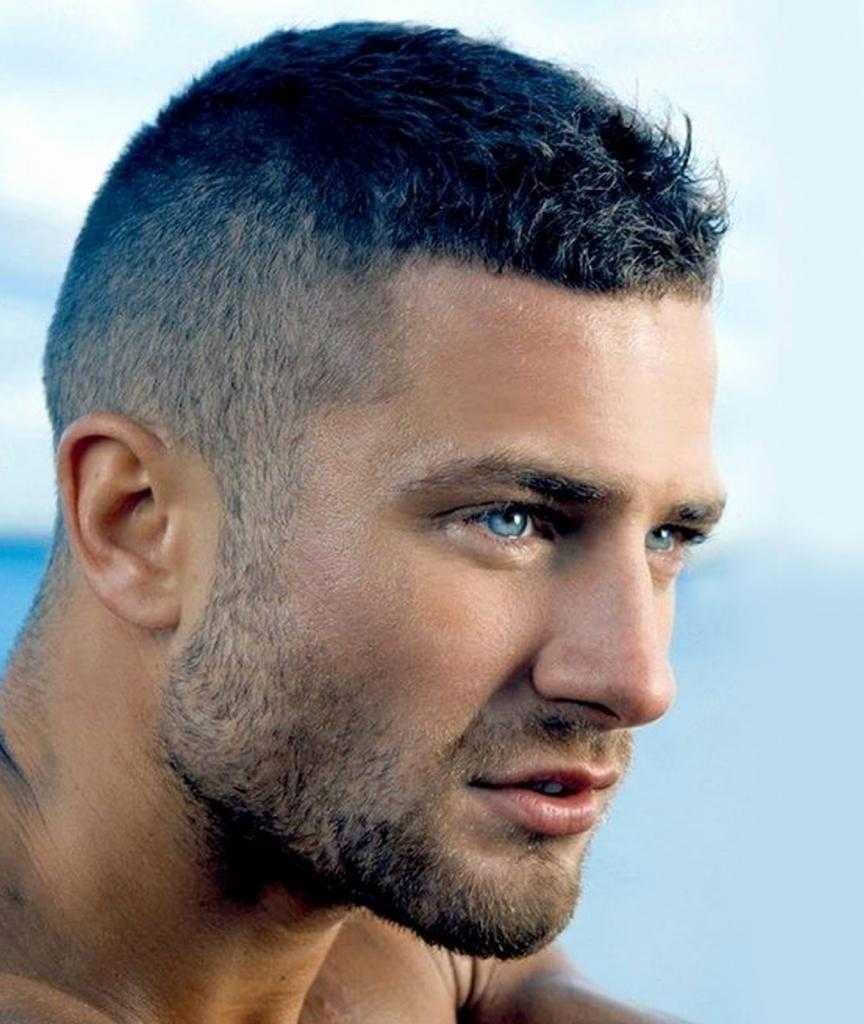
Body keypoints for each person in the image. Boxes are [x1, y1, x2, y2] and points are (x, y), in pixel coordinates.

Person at [0, 20, 728, 1024]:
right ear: (137, 521)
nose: (639, 682)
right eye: (511, 520)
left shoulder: (388, 896)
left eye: (667, 537)